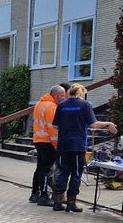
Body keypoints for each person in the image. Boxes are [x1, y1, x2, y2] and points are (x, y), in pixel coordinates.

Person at [51, 84, 117, 213]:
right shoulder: (85, 105)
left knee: (63, 172)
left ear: (70, 92)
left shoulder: (62, 105)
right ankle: (71, 203)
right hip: (77, 145)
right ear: (81, 93)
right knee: (75, 173)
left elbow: (55, 126)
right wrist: (108, 123)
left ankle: (57, 202)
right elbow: (93, 123)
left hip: (63, 144)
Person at [29, 85, 67, 206]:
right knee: (46, 169)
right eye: (62, 96)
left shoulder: (40, 104)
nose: (63, 98)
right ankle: (44, 196)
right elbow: (52, 128)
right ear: (55, 95)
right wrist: (56, 144)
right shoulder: (51, 107)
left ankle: (35, 193)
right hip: (47, 141)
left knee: (40, 167)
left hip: (38, 139)